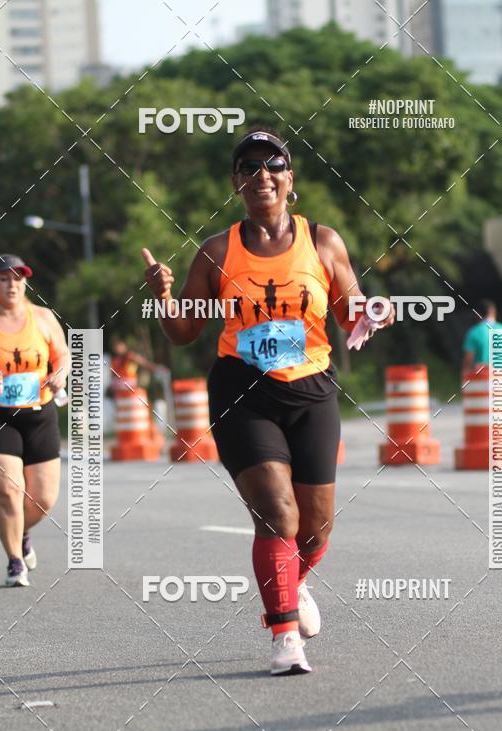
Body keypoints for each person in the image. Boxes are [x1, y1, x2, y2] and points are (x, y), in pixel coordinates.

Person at [142, 126, 394, 675]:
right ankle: (284, 636)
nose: (262, 175)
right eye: (249, 167)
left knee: (316, 528)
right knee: (278, 515)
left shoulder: (323, 242)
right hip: (243, 391)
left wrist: (374, 311)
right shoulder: (216, 252)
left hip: (312, 390)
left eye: (273, 165)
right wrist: (162, 298)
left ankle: (292, 584)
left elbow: (350, 310)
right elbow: (184, 332)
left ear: (289, 178)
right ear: (236, 183)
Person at [0, 254, 69, 586]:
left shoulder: (41, 316)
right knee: (9, 490)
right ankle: (15, 561)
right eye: (3, 279)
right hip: (1, 417)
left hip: (39, 414)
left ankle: (20, 531)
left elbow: (63, 354)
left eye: (18, 278)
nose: (11, 285)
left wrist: (60, 374)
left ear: (25, 282)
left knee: (43, 499)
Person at [462, 299, 502, 381]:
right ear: (493, 312)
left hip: (482, 381)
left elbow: (468, 360)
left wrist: (466, 379)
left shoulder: (474, 332)